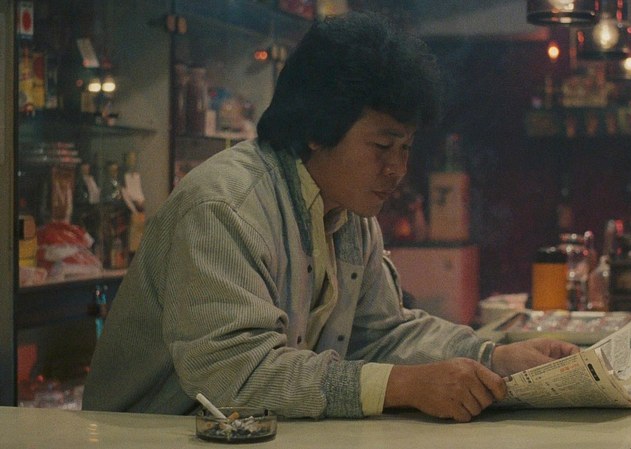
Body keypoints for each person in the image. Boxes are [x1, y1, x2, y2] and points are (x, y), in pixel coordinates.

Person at [83, 11, 578, 423]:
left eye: (406, 148)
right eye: (382, 146)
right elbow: (237, 376)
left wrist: (496, 357)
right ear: (317, 130)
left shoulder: (349, 214)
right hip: (144, 436)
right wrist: (403, 385)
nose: (397, 169)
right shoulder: (225, 207)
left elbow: (382, 334)